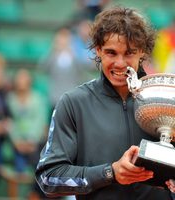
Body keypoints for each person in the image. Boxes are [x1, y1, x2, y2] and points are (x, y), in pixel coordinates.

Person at [35, 7, 175, 199]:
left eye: (129, 53)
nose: (120, 63)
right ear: (98, 50)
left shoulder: (165, 100)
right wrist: (109, 173)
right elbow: (48, 178)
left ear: (142, 52)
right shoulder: (74, 103)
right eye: (111, 53)